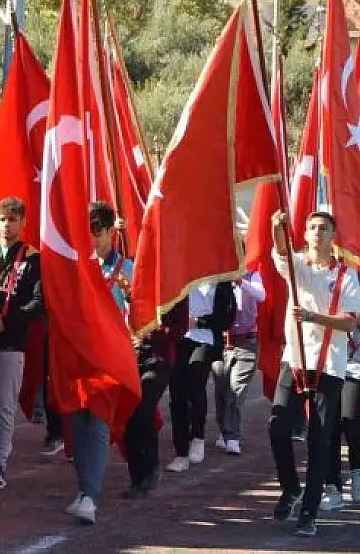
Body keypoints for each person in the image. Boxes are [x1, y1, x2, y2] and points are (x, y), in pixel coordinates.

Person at [267, 210, 360, 537]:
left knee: (319, 440)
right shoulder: (298, 266)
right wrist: (276, 227)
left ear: (332, 235)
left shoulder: (347, 275)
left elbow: (350, 322)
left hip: (329, 365)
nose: (317, 233)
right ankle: (290, 487)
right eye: (311, 228)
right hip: (293, 360)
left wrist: (312, 316)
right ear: (304, 234)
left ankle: (309, 511)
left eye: (323, 228)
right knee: (278, 427)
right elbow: (280, 252)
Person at [60, 202, 130, 525]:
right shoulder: (74, 267)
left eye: (97, 234)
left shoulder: (126, 269)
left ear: (110, 233)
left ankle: (90, 495)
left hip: (109, 360)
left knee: (99, 424)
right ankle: (83, 488)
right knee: (77, 425)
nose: (92, 241)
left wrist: (130, 297)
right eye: (86, 234)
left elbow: (139, 313)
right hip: (76, 357)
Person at [0, 197, 44, 491]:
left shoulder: (33, 258)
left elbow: (39, 303)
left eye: (13, 220)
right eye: (3, 219)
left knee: (4, 407)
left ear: (23, 223)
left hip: (11, 344)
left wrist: (8, 322)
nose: (7, 225)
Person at [322, 268, 360, 510]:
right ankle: (332, 486)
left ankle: (359, 470)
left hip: (358, 364)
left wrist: (359, 319)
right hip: (330, 362)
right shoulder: (326, 283)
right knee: (329, 425)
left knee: (351, 420)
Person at [166, 277, 235, 473]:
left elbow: (227, 319)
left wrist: (198, 322)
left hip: (205, 340)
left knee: (195, 383)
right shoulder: (182, 275)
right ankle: (181, 452)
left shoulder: (221, 282)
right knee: (177, 393)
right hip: (180, 339)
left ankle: (198, 436)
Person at [123, 297, 188, 498]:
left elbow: (180, 327)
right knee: (129, 414)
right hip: (131, 356)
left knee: (143, 409)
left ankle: (151, 467)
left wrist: (156, 330)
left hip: (158, 359)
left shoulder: (173, 287)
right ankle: (136, 478)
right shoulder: (131, 280)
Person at [212, 268, 264, 456]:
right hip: (221, 341)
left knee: (236, 389)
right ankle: (224, 430)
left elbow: (261, 295)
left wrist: (241, 281)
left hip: (246, 341)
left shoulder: (252, 275)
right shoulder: (216, 276)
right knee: (221, 391)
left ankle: (232, 436)